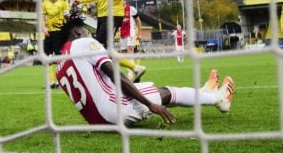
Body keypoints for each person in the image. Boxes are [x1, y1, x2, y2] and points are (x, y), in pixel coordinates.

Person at [55, 18, 234, 127]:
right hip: (114, 110)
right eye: (87, 31)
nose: (90, 34)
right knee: (165, 92)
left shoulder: (59, 66)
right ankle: (218, 100)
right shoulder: (83, 43)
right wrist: (150, 105)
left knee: (152, 92)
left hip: (97, 122)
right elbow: (117, 76)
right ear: (78, 32)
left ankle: (204, 92)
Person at [41, 0, 69, 87]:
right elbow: (42, 17)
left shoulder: (63, 3)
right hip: (48, 33)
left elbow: (67, 18)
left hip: (59, 32)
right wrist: (44, 28)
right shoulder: (45, 3)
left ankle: (59, 81)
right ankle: (50, 81)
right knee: (46, 57)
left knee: (58, 58)